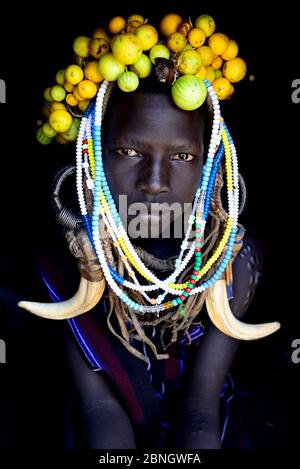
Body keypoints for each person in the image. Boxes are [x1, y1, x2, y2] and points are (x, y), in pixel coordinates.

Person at [15, 12, 281, 449]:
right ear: (93, 155)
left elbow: (200, 407)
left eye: (182, 157)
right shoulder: (63, 261)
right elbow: (97, 410)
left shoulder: (233, 262)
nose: (154, 182)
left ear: (212, 168)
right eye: (127, 150)